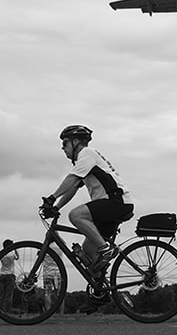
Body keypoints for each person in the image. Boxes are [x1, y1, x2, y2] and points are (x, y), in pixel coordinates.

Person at [42, 125, 133, 314]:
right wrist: (56, 207)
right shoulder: (86, 160)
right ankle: (100, 294)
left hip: (115, 202)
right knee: (88, 253)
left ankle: (106, 249)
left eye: (65, 143)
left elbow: (72, 179)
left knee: (76, 215)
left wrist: (51, 198)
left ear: (76, 142)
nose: (63, 148)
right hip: (112, 205)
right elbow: (74, 187)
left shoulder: (87, 153)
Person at [0, 239, 18, 313]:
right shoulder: (11, 254)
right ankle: (6, 310)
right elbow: (17, 257)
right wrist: (15, 249)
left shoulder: (2, 254)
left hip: (2, 274)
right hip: (10, 275)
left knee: (1, 294)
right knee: (8, 295)